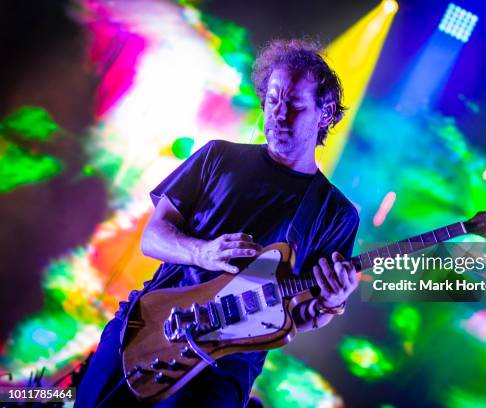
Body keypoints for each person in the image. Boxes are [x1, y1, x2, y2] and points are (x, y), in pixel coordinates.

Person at [75, 38, 360, 407]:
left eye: (293, 104)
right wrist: (202, 252)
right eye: (272, 99)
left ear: (325, 113)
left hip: (223, 366)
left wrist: (330, 305)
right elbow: (153, 237)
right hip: (150, 326)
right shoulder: (217, 157)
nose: (277, 113)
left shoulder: (334, 213)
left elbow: (299, 317)